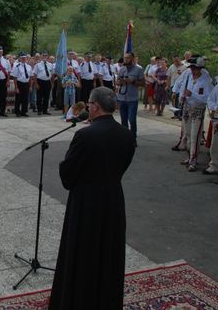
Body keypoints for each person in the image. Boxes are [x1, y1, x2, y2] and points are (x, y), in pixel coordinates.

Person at [49, 87, 136, 309]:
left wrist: (64, 166)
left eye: (88, 103)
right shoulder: (126, 134)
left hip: (86, 202)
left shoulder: (85, 135)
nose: (87, 106)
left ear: (95, 107)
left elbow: (68, 175)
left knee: (83, 253)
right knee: (108, 252)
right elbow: (122, 166)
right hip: (113, 199)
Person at [179, 56, 214, 171]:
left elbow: (207, 99)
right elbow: (183, 91)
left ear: (200, 69)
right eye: (192, 68)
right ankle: (190, 156)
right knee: (188, 135)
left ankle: (193, 159)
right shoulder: (189, 78)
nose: (193, 71)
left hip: (198, 110)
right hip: (187, 108)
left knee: (195, 136)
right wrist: (182, 97)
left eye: (195, 68)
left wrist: (192, 94)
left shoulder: (206, 81)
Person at [116, 52, 145, 146]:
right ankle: (125, 139)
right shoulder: (122, 69)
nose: (126, 60)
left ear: (132, 59)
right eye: (125, 58)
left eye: (128, 58)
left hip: (132, 98)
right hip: (122, 97)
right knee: (123, 120)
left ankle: (133, 138)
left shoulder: (139, 69)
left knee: (132, 119)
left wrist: (133, 82)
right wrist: (120, 82)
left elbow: (142, 83)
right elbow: (117, 81)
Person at [11, 52, 33, 117]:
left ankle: (24, 111)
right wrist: (16, 87)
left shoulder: (29, 66)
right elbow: (15, 77)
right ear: (20, 58)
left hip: (26, 84)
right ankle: (17, 112)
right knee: (18, 99)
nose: (23, 59)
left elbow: (31, 77)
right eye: (22, 58)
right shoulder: (17, 66)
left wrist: (31, 86)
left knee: (25, 99)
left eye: (25, 58)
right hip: (19, 83)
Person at [33, 50, 53, 115]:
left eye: (46, 55)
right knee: (39, 97)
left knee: (46, 97)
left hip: (47, 82)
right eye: (43, 55)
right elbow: (35, 75)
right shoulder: (37, 65)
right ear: (41, 56)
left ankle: (45, 110)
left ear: (47, 56)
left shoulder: (50, 65)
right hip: (40, 82)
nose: (44, 56)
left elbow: (52, 75)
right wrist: (36, 84)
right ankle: (39, 110)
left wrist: (52, 83)